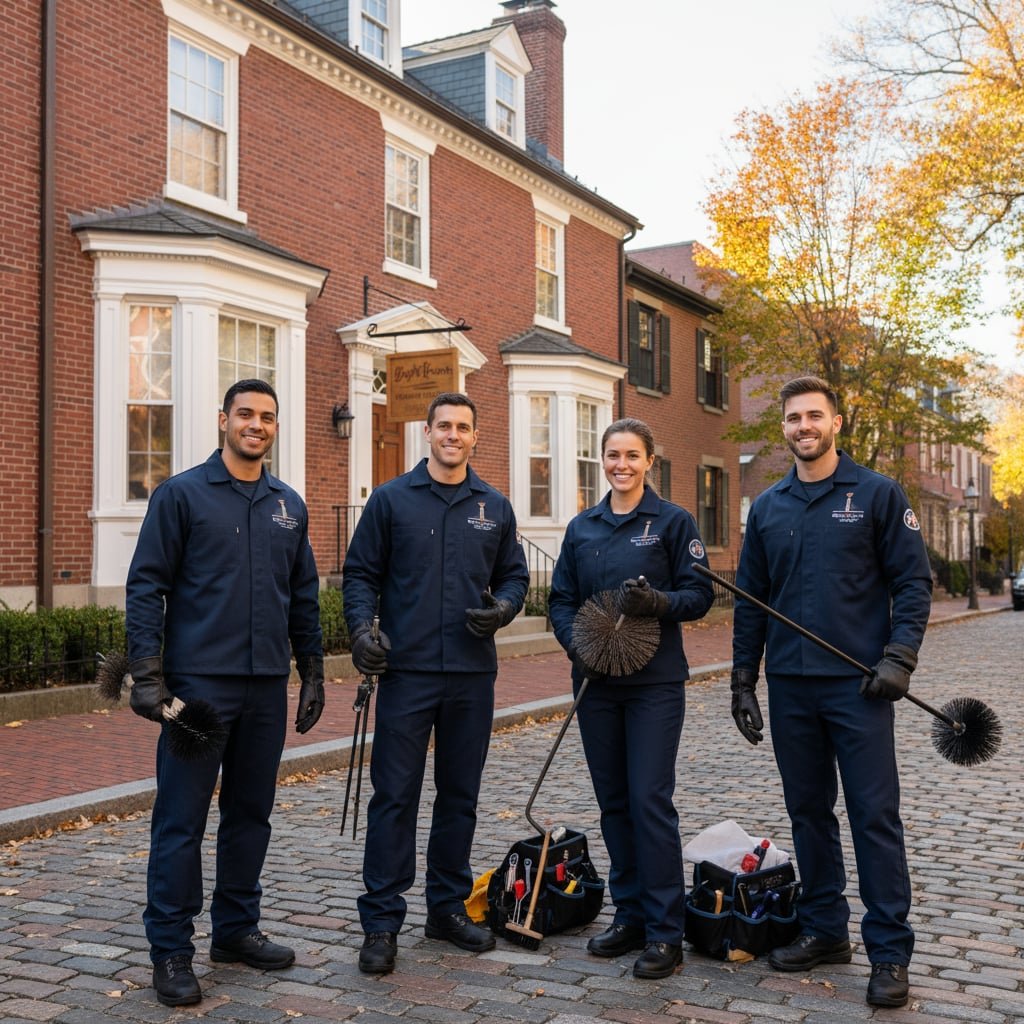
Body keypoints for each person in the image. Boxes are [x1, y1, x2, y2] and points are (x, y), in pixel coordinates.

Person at [730, 375, 932, 1009]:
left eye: (814, 416)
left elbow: (914, 583)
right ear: (784, 427)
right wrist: (743, 678)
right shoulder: (767, 507)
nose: (803, 427)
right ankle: (823, 929)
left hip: (861, 689)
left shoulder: (876, 495)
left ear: (836, 422)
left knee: (875, 818)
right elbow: (751, 604)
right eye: (793, 418)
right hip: (792, 689)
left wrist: (899, 658)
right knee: (808, 814)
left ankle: (890, 951)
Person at [125, 378, 325, 1007]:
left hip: (265, 687)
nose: (256, 425)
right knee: (180, 821)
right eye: (245, 414)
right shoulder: (181, 495)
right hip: (198, 691)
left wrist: (313, 668)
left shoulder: (288, 504)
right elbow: (145, 585)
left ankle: (236, 930)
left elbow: (304, 595)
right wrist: (148, 672)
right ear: (223, 420)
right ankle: (172, 949)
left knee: (250, 815)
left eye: (267, 416)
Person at [342, 391, 530, 975]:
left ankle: (446, 909)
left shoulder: (494, 507)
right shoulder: (392, 500)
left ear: (476, 437)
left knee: (459, 797)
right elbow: (360, 574)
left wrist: (502, 609)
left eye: (463, 427)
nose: (453, 434)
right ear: (427, 432)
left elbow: (516, 576)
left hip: (472, 675)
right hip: (406, 673)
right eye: (444, 425)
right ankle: (380, 920)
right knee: (394, 797)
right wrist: (360, 633)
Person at [548, 417, 714, 980]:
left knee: (649, 799)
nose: (621, 464)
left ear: (649, 462)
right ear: (603, 460)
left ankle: (667, 932)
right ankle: (631, 914)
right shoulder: (582, 527)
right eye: (612, 455)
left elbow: (700, 595)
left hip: (654, 686)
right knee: (614, 801)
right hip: (595, 683)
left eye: (632, 456)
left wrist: (658, 603)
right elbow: (562, 599)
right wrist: (578, 645)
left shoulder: (672, 522)